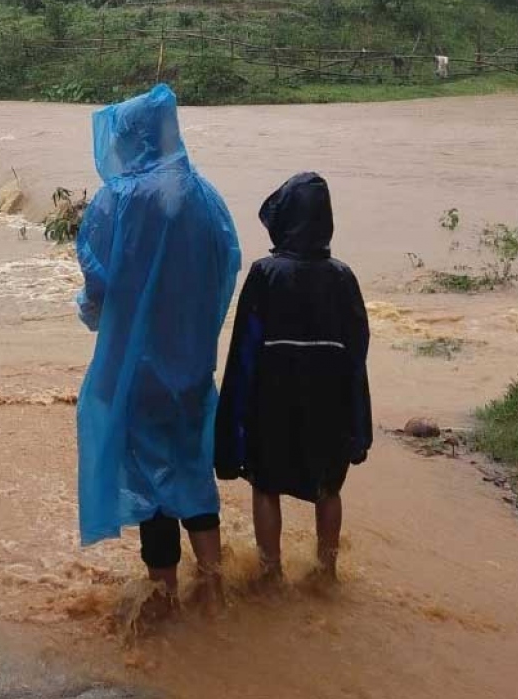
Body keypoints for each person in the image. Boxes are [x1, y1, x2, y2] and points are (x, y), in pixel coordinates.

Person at [75, 84, 241, 614]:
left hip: (136, 369)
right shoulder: (205, 195)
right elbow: (226, 265)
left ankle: (165, 597)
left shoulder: (115, 201)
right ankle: (215, 589)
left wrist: (92, 312)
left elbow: (98, 286)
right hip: (191, 362)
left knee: (149, 486)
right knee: (192, 468)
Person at [215, 172, 372, 586]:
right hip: (330, 401)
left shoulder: (265, 274)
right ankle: (328, 572)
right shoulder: (343, 277)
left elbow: (244, 351)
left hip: (273, 400)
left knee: (266, 484)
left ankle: (270, 573)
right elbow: (358, 352)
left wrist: (232, 423)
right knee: (329, 487)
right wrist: (359, 422)